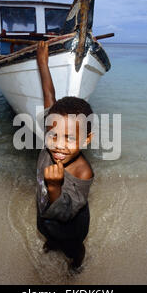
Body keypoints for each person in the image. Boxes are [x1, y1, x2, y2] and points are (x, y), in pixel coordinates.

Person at [35, 41, 94, 270]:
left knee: (71, 245)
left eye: (69, 138)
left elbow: (67, 211)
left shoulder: (82, 170)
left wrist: (54, 187)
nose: (58, 145)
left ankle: (76, 262)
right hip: (44, 209)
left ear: (86, 139)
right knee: (47, 230)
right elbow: (49, 95)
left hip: (72, 223)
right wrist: (42, 62)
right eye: (53, 135)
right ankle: (51, 240)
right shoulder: (53, 132)